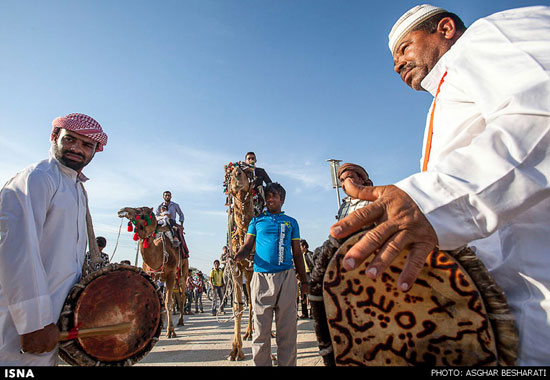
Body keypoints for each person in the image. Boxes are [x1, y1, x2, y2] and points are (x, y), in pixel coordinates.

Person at [330, 4, 550, 366]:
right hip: (511, 320)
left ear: (445, 29)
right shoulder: (447, 96)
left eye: (404, 48)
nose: (397, 65)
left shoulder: (486, 37)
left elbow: (540, 111)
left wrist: (427, 202)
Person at [0, 113, 108, 365]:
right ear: (54, 137)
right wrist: (34, 323)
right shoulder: (36, 179)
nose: (77, 149)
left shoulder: (77, 189)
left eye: (86, 145)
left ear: (95, 151)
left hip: (52, 323)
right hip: (18, 328)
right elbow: (16, 253)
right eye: (70, 140)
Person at [235, 182, 308, 366]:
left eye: (274, 196)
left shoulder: (291, 222)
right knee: (260, 331)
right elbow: (247, 246)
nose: (270, 199)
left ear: (282, 199)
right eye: (268, 196)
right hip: (261, 279)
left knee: (287, 331)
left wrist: (304, 281)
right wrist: (238, 255)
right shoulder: (256, 221)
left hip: (286, 277)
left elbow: (297, 253)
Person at [298, 239, 314, 319]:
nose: (299, 248)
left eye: (300, 246)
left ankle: (312, 313)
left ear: (304, 246)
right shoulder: (299, 256)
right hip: (302, 275)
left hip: (309, 275)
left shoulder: (310, 254)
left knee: (310, 295)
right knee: (303, 295)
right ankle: (304, 313)